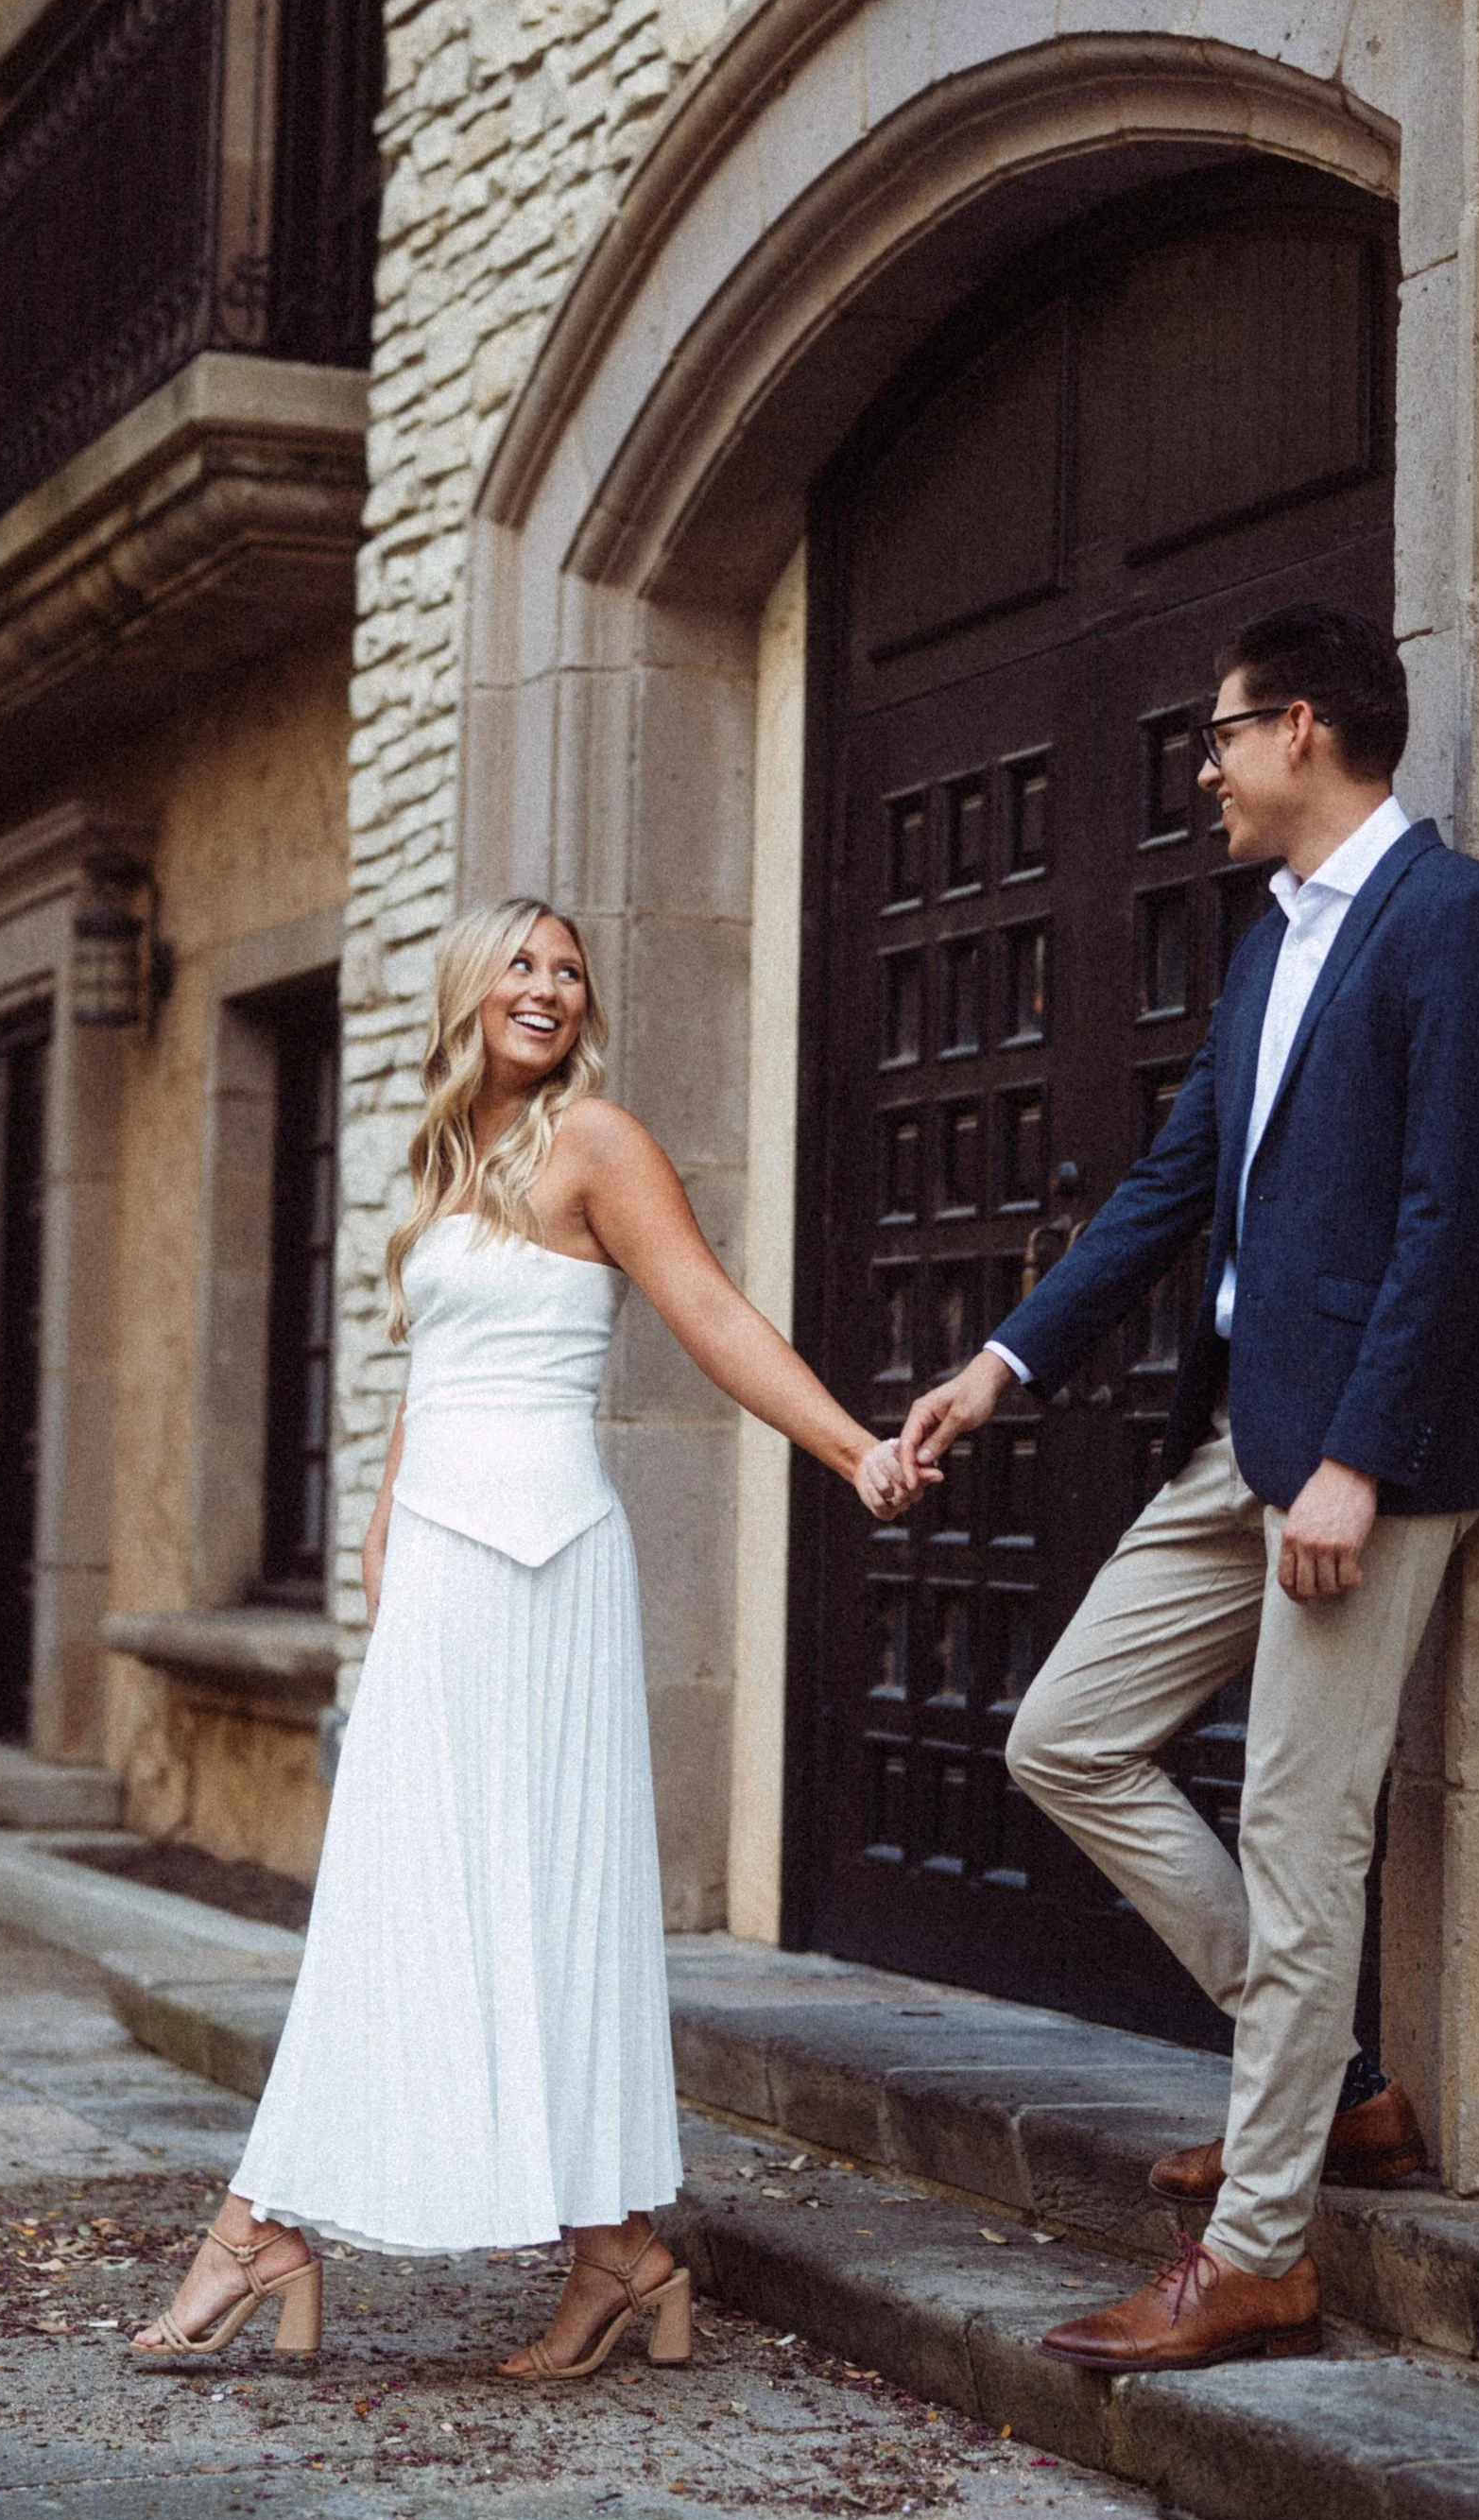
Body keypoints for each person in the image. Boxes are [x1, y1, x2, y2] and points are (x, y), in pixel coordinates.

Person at [134, 896, 912, 2380]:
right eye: (524, 963)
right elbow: (435, 1370)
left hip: (548, 1568)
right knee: (399, 1891)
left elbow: (708, 1312)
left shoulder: (598, 1144)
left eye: (569, 969)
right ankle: (616, 2252)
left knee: (550, 1897)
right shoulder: (441, 1160)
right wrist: (377, 1518)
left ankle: (272, 2224)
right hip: (437, 1565)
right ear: (471, 989)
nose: (550, 985)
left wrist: (851, 1446)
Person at [898, 603, 1479, 2373]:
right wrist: (1002, 1362)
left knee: (1299, 1828)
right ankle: (1329, 2081)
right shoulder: (1273, 944)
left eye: (1223, 736)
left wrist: (1351, 1460)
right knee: (1066, 1734)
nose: (1205, 770)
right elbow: (1171, 1184)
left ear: (1306, 730)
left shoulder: (1457, 923)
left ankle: (1259, 2252)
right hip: (1243, 1436)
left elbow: (1451, 1217)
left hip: (1367, 1458)